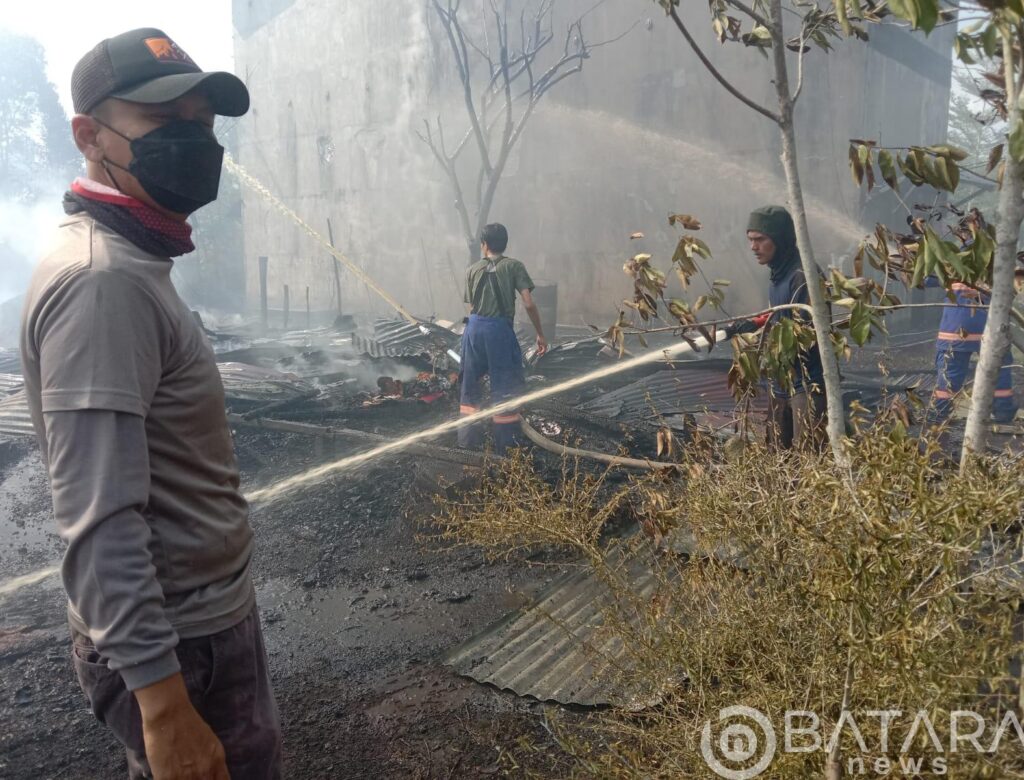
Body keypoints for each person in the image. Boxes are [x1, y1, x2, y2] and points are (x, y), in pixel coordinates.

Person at [20, 29, 281, 779]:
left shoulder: (133, 262)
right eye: (164, 123)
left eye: (202, 125)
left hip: (199, 624)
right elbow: (99, 516)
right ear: (89, 135)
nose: (194, 143)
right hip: (181, 644)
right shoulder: (101, 283)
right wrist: (163, 705)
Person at [727, 205, 827, 450]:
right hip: (781, 384)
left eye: (760, 239)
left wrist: (762, 346)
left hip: (807, 385)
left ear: (779, 239)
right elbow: (777, 315)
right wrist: (746, 325)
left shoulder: (803, 276)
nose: (753, 247)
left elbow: (805, 333)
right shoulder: (778, 274)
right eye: (750, 240)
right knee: (778, 455)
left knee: (809, 458)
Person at [459, 223, 548, 453]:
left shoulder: (472, 270)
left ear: (484, 245)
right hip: (499, 330)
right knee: (505, 388)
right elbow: (528, 303)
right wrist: (539, 333)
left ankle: (468, 444)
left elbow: (471, 306)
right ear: (505, 244)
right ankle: (506, 449)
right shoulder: (514, 267)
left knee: (470, 387)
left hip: (474, 329)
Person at [928, 281, 1017, 424]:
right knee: (999, 371)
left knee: (949, 374)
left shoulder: (950, 263)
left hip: (956, 328)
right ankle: (1003, 413)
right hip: (993, 328)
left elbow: (925, 279)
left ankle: (939, 414)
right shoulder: (1002, 261)